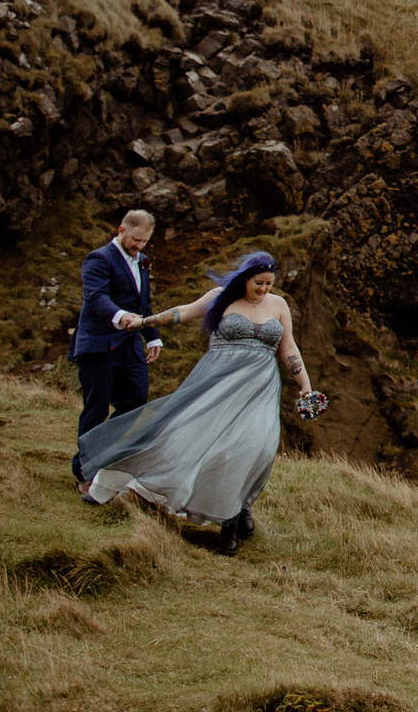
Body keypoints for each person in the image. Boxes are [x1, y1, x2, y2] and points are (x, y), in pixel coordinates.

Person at [76, 250, 320, 555]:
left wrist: (305, 385)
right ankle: (227, 520)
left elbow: (288, 347)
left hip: (260, 388)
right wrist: (143, 323)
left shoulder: (279, 305)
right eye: (259, 283)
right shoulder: (221, 297)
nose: (264, 290)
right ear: (246, 277)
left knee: (255, 446)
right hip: (217, 384)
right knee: (190, 440)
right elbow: (183, 312)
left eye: (269, 284)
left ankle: (240, 508)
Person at [70, 210, 162, 489]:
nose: (140, 246)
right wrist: (121, 316)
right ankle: (85, 471)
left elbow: (143, 304)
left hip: (130, 347)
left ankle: (110, 460)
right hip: (98, 345)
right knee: (96, 409)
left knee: (135, 404)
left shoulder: (142, 263)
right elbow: (96, 298)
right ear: (121, 229)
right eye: (136, 239)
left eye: (145, 241)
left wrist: (153, 337)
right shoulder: (98, 259)